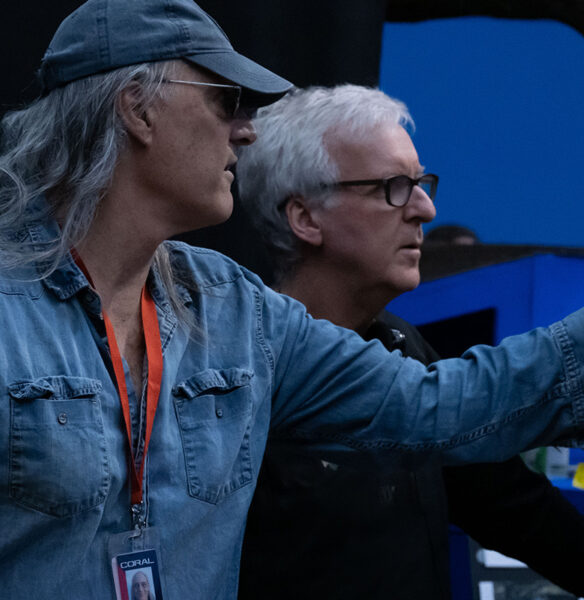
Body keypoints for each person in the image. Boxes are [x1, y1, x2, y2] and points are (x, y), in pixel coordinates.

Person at [0, 2, 584, 599]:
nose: (247, 131)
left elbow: (440, 409)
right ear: (137, 108)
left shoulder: (236, 310)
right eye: (225, 99)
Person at [234, 84, 584, 598]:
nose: (424, 209)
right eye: (393, 187)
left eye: (422, 184)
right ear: (305, 217)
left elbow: (517, 507)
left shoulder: (401, 346)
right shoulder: (238, 373)